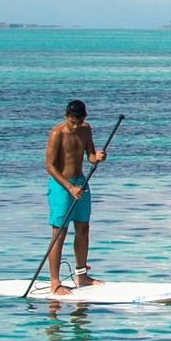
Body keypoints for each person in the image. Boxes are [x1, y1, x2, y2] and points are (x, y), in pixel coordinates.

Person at [42, 99, 108, 292]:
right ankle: (55, 282)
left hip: (81, 183)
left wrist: (97, 157)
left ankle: (82, 276)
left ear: (84, 118)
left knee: (83, 229)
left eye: (79, 121)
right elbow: (50, 166)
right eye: (72, 122)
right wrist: (70, 188)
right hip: (61, 186)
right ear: (66, 117)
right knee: (59, 234)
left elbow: (90, 155)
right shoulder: (57, 133)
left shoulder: (86, 129)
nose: (76, 125)